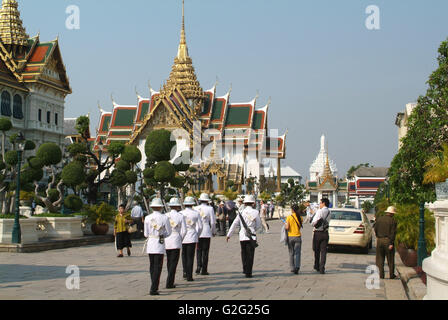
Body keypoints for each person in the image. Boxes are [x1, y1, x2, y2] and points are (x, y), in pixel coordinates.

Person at [226, 195, 261, 278]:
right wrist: (252, 229)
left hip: (242, 235)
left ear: (245, 203)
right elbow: (259, 225)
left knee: (243, 252)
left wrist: (229, 234)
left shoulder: (241, 212)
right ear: (253, 203)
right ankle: (249, 271)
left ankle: (245, 268)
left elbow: (235, 223)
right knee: (250, 254)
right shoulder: (256, 212)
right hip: (251, 235)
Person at [144, 198, 172, 296]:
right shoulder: (164, 218)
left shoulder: (147, 218)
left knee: (152, 265)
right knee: (158, 266)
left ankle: (153, 284)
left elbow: (145, 233)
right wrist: (162, 234)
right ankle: (154, 288)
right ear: (160, 207)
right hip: (159, 242)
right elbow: (169, 232)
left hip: (151, 243)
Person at [165, 197, 187, 289]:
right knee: (174, 262)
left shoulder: (166, 215)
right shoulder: (180, 216)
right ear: (178, 206)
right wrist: (180, 237)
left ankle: (169, 279)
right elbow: (184, 230)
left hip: (167, 240)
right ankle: (170, 281)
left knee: (169, 261)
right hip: (176, 238)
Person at [181, 196, 203, 282]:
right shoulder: (196, 213)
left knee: (184, 255)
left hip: (183, 236)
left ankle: (185, 272)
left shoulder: (181, 213)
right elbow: (200, 227)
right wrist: (197, 235)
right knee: (190, 256)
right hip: (192, 235)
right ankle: (189, 275)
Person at [195, 193, 216, 275]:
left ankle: (198, 266)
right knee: (205, 251)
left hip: (198, 231)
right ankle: (204, 269)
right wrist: (213, 231)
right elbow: (213, 222)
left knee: (198, 250)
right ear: (207, 201)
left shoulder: (196, 208)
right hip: (206, 230)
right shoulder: (210, 208)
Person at [374, 206, 398, 279]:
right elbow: (393, 233)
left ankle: (381, 274)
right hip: (388, 240)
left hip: (380, 240)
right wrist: (391, 243)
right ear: (392, 213)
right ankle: (391, 274)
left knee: (380, 258)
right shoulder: (393, 221)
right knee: (390, 259)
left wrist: (378, 236)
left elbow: (375, 229)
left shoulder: (379, 219)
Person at [311, 198, 331, 274]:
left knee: (316, 250)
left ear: (323, 203)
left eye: (320, 203)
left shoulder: (320, 211)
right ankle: (322, 268)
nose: (319, 204)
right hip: (325, 233)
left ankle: (317, 265)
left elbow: (313, 223)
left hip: (318, 233)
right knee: (323, 251)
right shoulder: (329, 212)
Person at [285, 204, 303, 274]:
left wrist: (285, 224)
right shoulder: (300, 217)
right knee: (297, 253)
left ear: (292, 210)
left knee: (291, 253)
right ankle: (297, 267)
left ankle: (292, 267)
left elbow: (287, 227)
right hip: (298, 236)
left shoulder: (289, 217)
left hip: (290, 237)